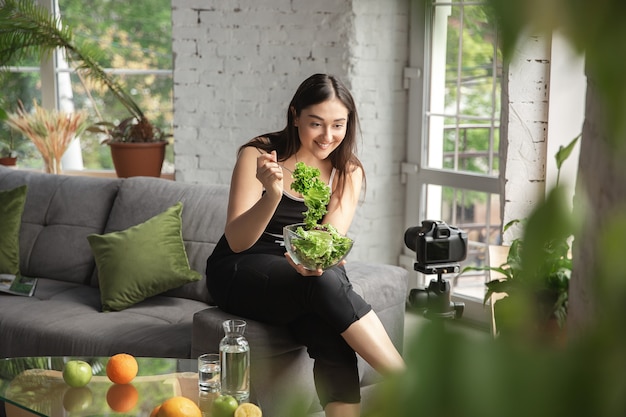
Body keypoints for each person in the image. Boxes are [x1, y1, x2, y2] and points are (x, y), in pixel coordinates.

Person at [206, 73, 405, 417]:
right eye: (316, 123)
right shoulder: (258, 155)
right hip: (238, 268)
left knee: (330, 329)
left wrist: (314, 259)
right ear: (295, 115)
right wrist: (273, 194)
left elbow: (325, 243)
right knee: (323, 283)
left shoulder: (347, 171)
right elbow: (238, 241)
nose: (328, 136)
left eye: (338, 125)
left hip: (296, 272)